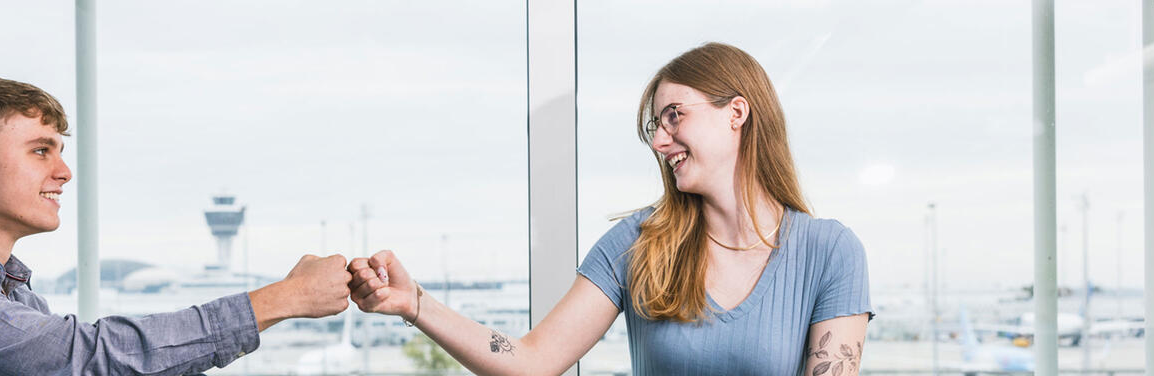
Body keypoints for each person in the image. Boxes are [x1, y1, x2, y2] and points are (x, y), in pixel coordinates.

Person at [348, 42, 873, 375]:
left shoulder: (830, 252)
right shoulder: (638, 243)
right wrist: (416, 304)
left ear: (736, 112)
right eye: (654, 128)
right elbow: (531, 362)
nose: (659, 141)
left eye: (674, 116)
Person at [0, 76, 352, 375]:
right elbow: (83, 358)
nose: (64, 171)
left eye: (61, 151)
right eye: (41, 151)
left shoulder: (13, 294)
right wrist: (282, 299)